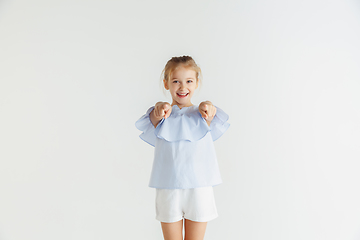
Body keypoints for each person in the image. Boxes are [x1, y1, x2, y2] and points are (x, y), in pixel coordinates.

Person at [135, 55, 230, 240]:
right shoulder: (163, 114)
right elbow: (154, 116)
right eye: (176, 81)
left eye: (188, 81)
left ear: (196, 83)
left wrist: (208, 106)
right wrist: (159, 107)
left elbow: (211, 113)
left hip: (199, 187)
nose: (182, 87)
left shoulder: (202, 113)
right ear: (166, 83)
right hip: (169, 188)